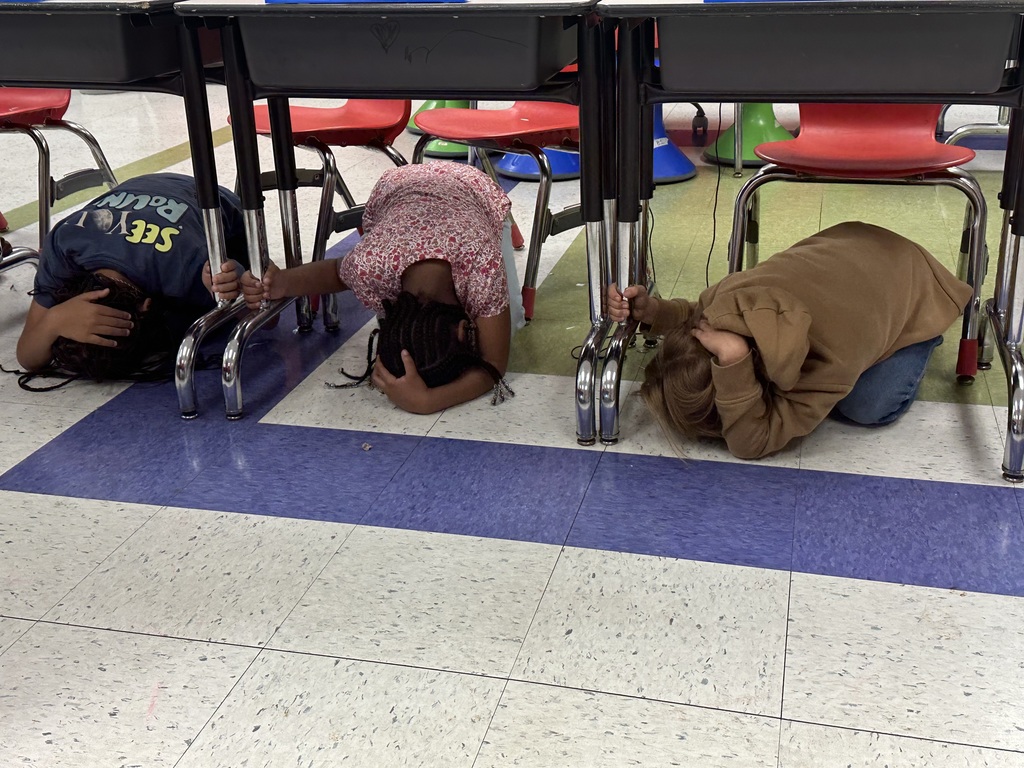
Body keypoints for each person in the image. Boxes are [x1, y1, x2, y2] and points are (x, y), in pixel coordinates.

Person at [607, 221, 974, 459]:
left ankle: (923, 334)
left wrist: (733, 366)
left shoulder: (826, 367)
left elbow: (752, 442)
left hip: (920, 286)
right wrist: (655, 312)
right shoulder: (724, 302)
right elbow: (692, 318)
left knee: (865, 407)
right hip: (851, 241)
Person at [240, 162, 523, 415]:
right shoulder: (372, 264)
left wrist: (429, 401)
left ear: (464, 327)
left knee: (514, 321)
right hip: (415, 187)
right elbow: (335, 273)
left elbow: (494, 364)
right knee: (501, 320)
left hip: (465, 189)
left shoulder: (481, 261)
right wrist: (281, 283)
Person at [16, 172, 247, 381]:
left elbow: (268, 314)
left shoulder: (186, 267)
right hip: (140, 185)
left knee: (179, 326)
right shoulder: (62, 245)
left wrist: (231, 280)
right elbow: (27, 355)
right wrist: (55, 320)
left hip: (212, 197)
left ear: (146, 305)